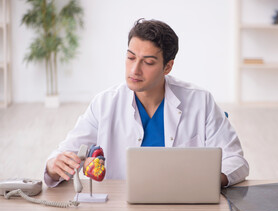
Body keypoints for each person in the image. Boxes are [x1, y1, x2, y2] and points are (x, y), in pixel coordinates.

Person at [44, 18, 249, 188]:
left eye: (148, 62)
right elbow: (65, 154)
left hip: (184, 208)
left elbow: (235, 160)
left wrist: (204, 182)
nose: (134, 70)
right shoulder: (105, 103)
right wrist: (54, 167)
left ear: (167, 66)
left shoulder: (200, 101)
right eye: (130, 57)